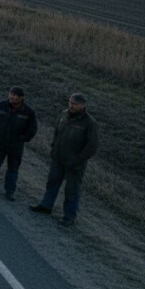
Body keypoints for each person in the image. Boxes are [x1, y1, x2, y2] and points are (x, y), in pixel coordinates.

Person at [30, 93, 99, 227]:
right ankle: (46, 206)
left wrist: (78, 159)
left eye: (75, 103)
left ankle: (69, 216)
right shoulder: (63, 114)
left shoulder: (89, 123)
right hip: (58, 158)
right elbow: (57, 132)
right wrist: (53, 147)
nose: (71, 105)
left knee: (71, 190)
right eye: (70, 102)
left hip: (75, 163)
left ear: (83, 105)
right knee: (52, 182)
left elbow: (92, 146)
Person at [0, 86, 37, 201]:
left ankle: (9, 192)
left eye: (14, 95)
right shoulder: (1, 106)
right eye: (10, 94)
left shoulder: (28, 112)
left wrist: (23, 138)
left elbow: (32, 128)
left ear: (21, 98)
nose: (11, 97)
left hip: (16, 146)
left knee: (13, 169)